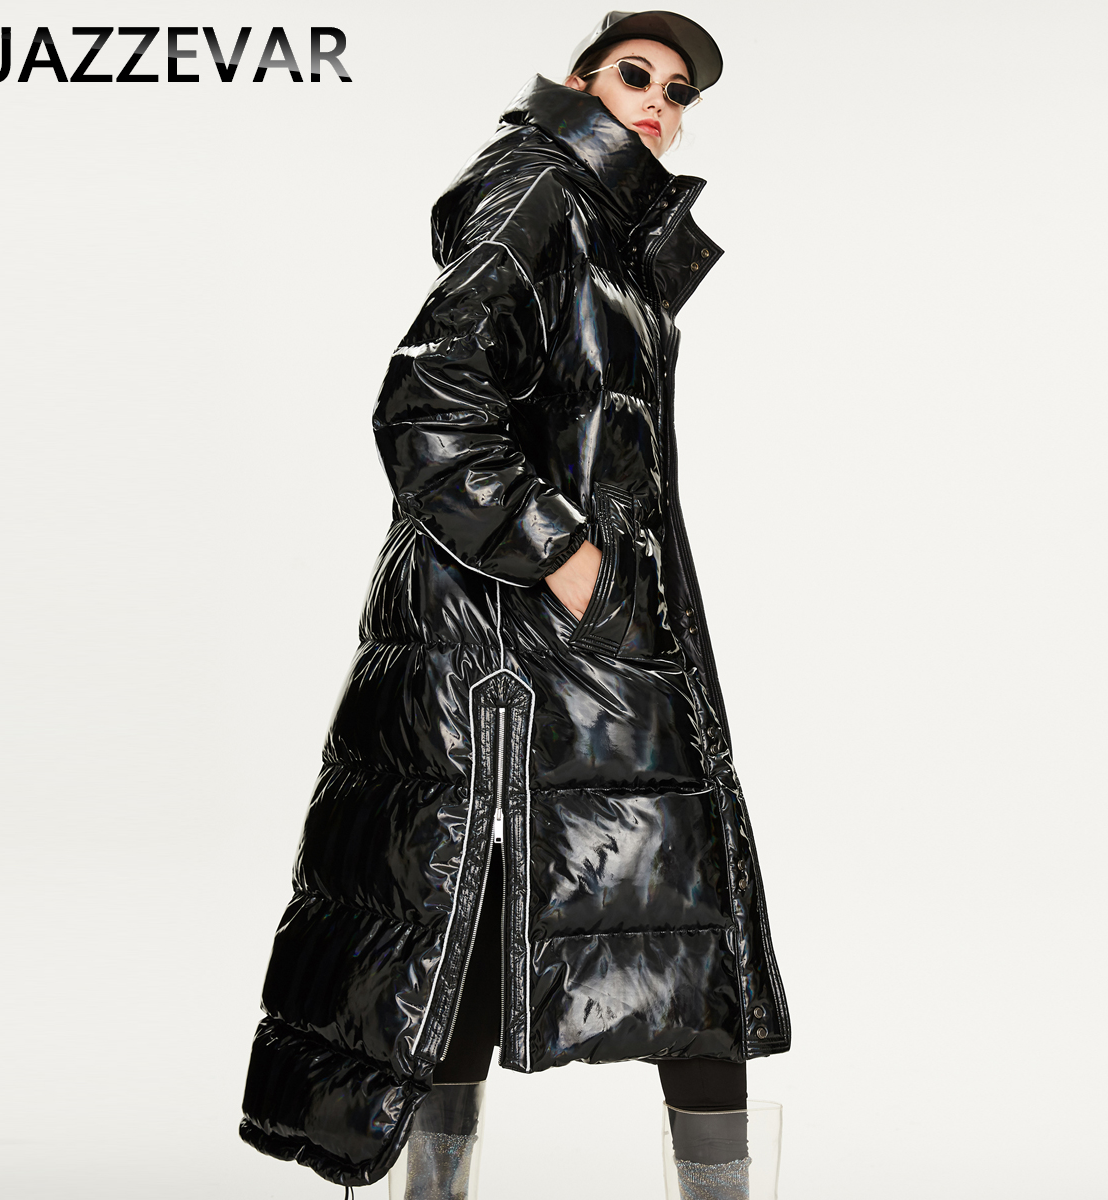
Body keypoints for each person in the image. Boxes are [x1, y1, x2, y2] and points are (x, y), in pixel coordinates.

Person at [239, 11, 790, 1198]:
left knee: (652, 944)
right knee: (480, 932)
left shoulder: (606, 227)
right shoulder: (541, 187)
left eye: (679, 92)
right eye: (636, 75)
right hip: (509, 640)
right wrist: (562, 554)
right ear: (580, 82)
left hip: (592, 647)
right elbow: (427, 397)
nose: (659, 102)